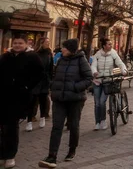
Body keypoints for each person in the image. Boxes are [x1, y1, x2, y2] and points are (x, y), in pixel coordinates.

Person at [39, 39, 93, 168]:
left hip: (75, 99)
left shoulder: (81, 60)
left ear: (71, 49)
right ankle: (52, 156)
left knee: (73, 125)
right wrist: (53, 85)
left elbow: (89, 79)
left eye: (64, 48)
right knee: (56, 126)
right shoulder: (61, 60)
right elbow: (53, 75)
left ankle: (72, 149)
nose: (61, 49)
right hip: (59, 99)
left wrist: (75, 87)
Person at [0, 35, 43, 169]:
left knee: (12, 127)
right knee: (2, 127)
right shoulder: (6, 57)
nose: (17, 45)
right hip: (2, 96)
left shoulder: (32, 57)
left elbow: (39, 74)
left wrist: (27, 87)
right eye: (15, 43)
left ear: (26, 44)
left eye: (20, 43)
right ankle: (2, 154)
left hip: (18, 97)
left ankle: (10, 156)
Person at [90, 38, 128, 131]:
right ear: (104, 46)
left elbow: (120, 63)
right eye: (109, 44)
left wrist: (124, 70)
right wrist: (94, 72)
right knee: (97, 103)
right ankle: (97, 123)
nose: (111, 46)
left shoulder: (113, 53)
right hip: (98, 81)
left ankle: (103, 121)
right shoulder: (97, 55)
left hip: (108, 81)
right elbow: (93, 65)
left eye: (111, 44)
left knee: (102, 102)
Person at [27, 37, 54, 132]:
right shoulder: (34, 54)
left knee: (43, 100)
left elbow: (51, 69)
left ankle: (42, 117)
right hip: (35, 80)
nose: (48, 43)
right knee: (32, 101)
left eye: (48, 42)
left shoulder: (49, 54)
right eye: (46, 42)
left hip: (45, 80)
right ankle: (29, 121)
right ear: (41, 43)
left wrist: (50, 80)